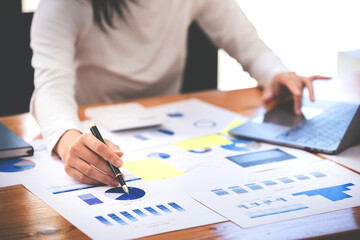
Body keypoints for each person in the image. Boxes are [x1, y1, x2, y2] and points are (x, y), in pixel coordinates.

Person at [30, 0, 329, 187]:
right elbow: (49, 86)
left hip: (169, 128)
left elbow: (248, 45)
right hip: (95, 133)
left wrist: (275, 74)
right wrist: (67, 141)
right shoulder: (63, 4)